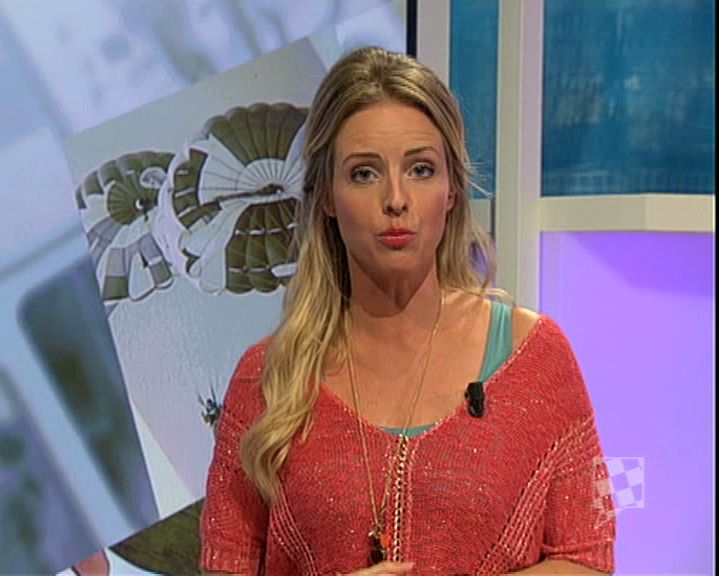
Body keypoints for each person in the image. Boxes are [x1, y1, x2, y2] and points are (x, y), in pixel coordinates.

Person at [199, 46, 615, 575]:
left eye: (420, 169)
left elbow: (587, 557)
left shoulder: (535, 358)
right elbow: (226, 564)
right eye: (364, 174)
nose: (396, 199)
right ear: (326, 196)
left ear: (451, 190)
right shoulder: (268, 379)